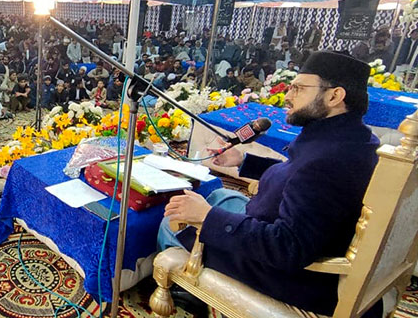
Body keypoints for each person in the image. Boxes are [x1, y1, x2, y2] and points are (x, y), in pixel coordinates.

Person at [157, 51, 382, 317]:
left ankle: (191, 288)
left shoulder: (327, 160)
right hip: (278, 220)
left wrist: (206, 218)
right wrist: (242, 160)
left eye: (298, 88)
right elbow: (295, 173)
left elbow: (288, 247)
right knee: (219, 194)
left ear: (335, 96)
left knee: (170, 222)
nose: (288, 96)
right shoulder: (349, 138)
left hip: (287, 273)